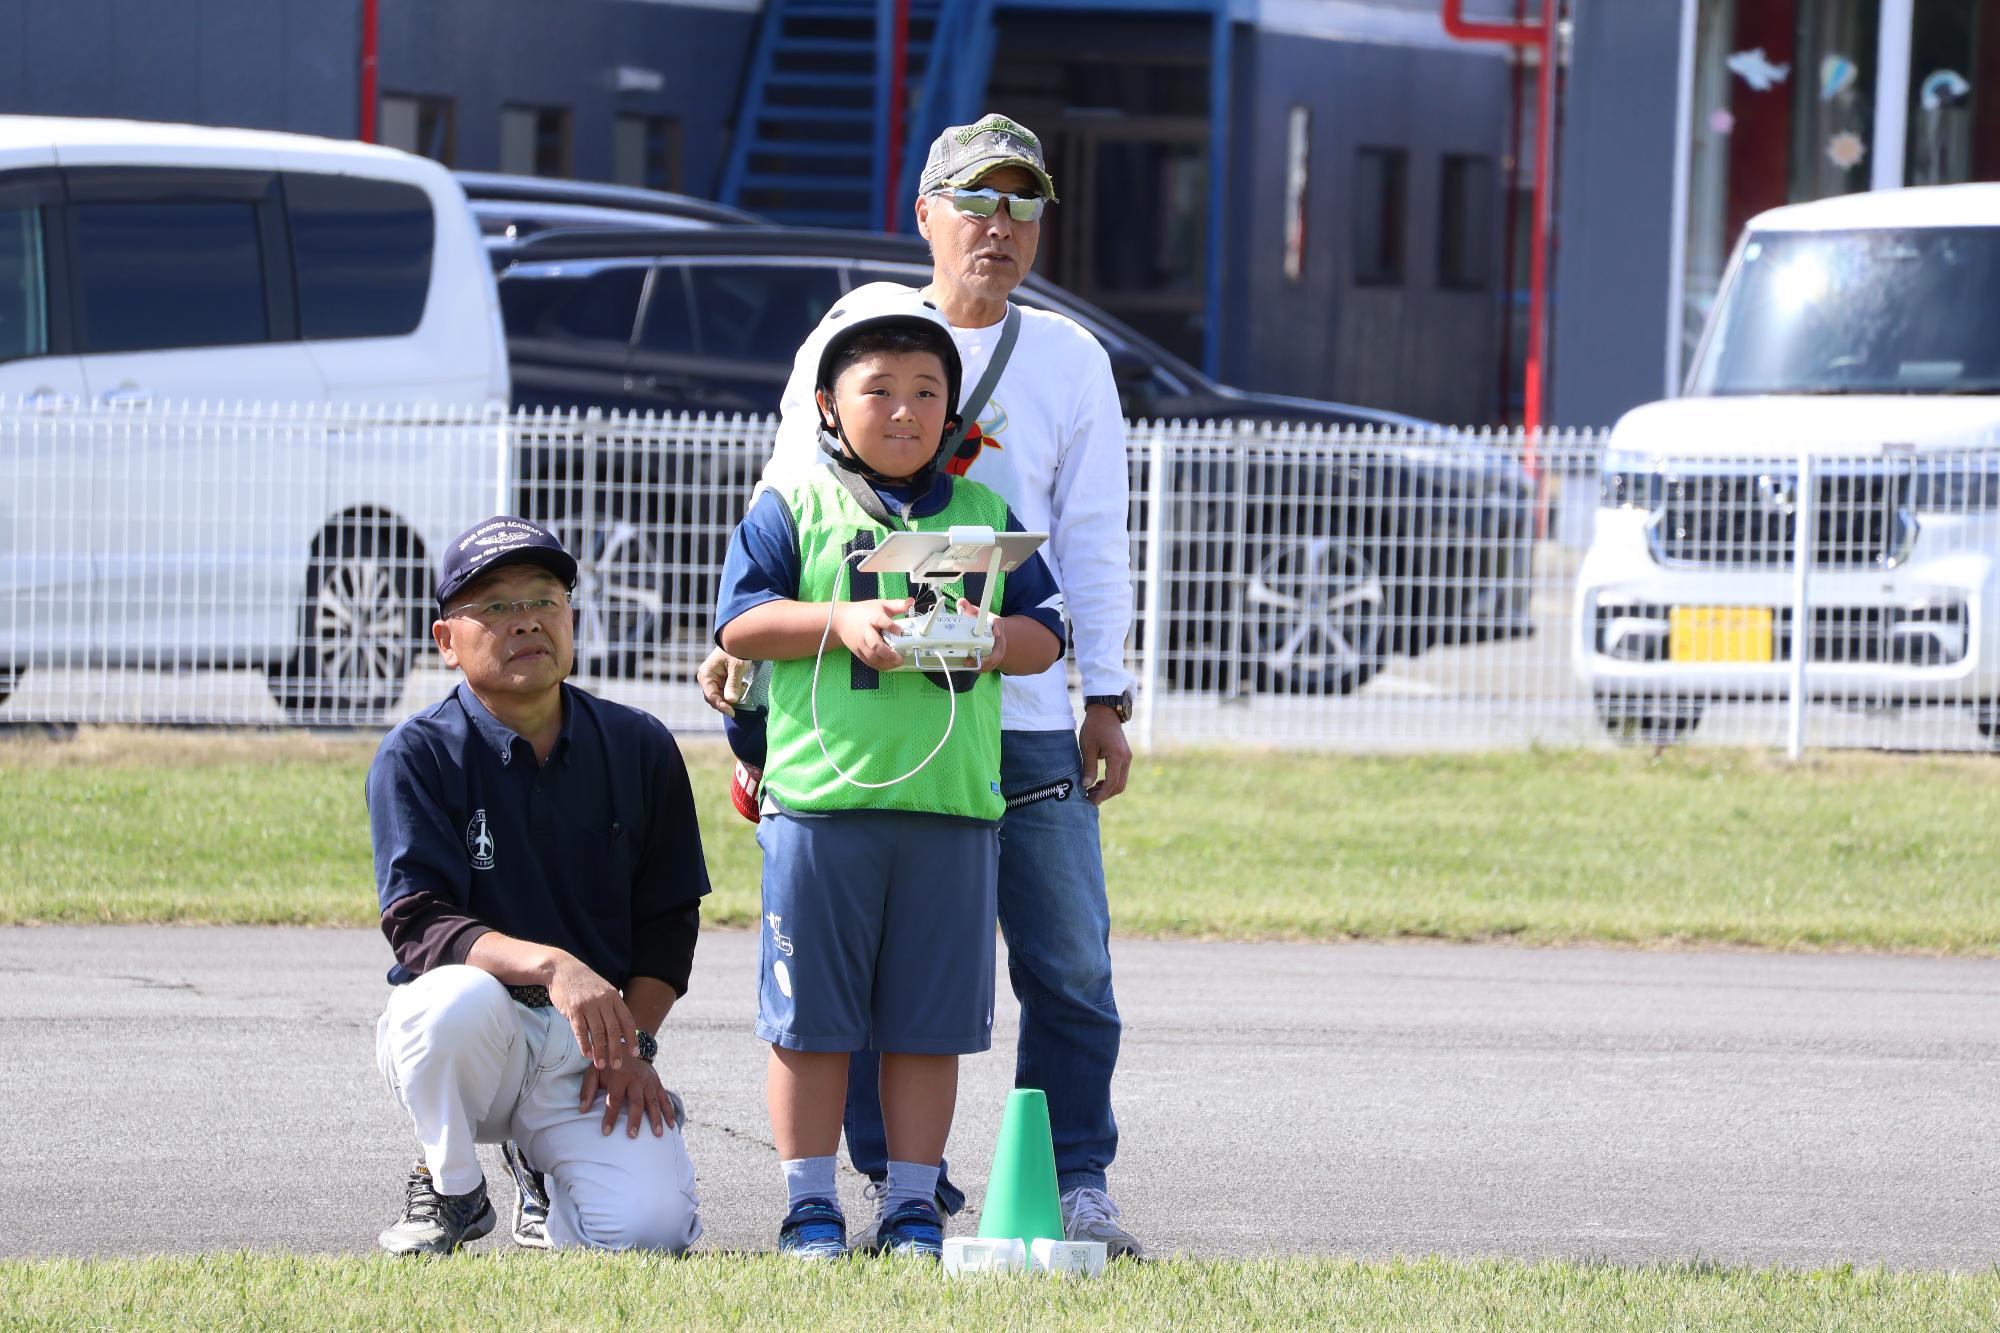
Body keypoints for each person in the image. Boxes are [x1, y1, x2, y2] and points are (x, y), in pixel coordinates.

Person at [700, 113, 1142, 1257]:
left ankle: (1073, 1178)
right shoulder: (850, 329)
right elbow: (790, 491)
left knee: (1067, 961)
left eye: (1021, 204)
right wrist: (748, 661)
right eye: (976, 201)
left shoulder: (1070, 358)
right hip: (857, 719)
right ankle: (890, 1187)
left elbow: (1091, 536)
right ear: (925, 215)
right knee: (860, 974)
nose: (998, 226)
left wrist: (1105, 694)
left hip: (1023, 720)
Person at [713, 291, 1065, 1260]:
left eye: (926, 390)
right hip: (821, 809)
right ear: (827, 404)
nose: (904, 410)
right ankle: (809, 1206)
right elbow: (740, 622)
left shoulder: (984, 516)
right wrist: (838, 620)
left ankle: (911, 1204)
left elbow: (1047, 632)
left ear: (952, 411)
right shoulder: (794, 504)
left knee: (927, 1023)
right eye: (878, 390)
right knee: (810, 1021)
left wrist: (995, 639)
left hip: (950, 810)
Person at [367, 515, 707, 1256]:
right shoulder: (417, 755)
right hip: (480, 1036)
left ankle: (542, 1175)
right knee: (448, 1004)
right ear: (446, 640)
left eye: (545, 599)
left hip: (589, 1051)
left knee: (650, 1232)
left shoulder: (640, 745)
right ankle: (452, 1186)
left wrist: (635, 1044)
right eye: (495, 606)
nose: (525, 620)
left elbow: (669, 921)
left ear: (570, 618)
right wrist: (553, 966)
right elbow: (420, 926)